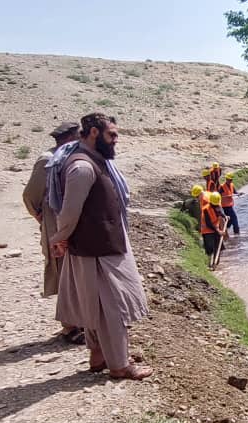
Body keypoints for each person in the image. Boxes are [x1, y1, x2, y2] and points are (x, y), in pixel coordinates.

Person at [49, 112, 152, 381]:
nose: (116, 140)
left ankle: (98, 356)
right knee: (111, 308)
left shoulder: (95, 161)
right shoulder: (82, 168)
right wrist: (59, 239)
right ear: (94, 132)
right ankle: (119, 365)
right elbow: (69, 212)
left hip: (96, 245)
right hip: (98, 249)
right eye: (112, 135)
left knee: (94, 305)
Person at [21, 121, 83, 344]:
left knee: (75, 271)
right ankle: (70, 326)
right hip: (54, 222)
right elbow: (30, 196)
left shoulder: (69, 158)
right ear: (69, 139)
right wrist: (42, 219)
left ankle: (79, 320)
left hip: (67, 222)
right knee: (61, 271)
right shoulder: (47, 160)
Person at [201, 191, 227, 260]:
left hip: (215, 230)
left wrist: (224, 216)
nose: (217, 205)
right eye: (215, 204)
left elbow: (220, 212)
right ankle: (210, 264)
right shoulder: (206, 209)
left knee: (219, 247)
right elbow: (209, 224)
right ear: (211, 202)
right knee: (210, 250)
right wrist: (218, 231)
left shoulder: (217, 205)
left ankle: (216, 264)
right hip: (207, 232)